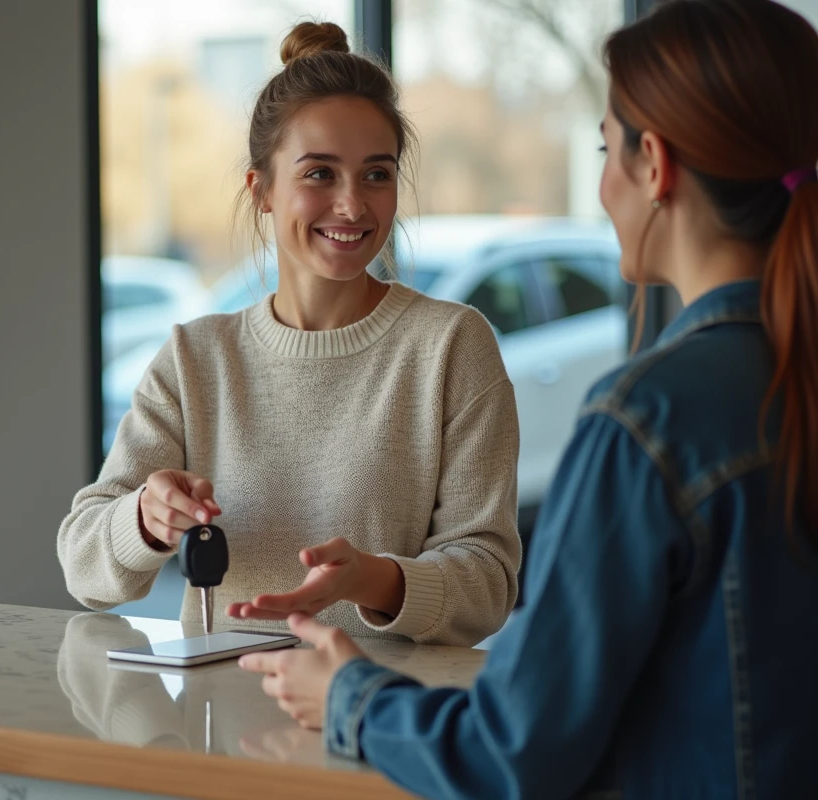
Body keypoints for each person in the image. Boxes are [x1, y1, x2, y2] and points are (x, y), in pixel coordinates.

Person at [240, 1, 818, 797]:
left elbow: (514, 752)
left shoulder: (650, 422)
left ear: (654, 164)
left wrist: (350, 697)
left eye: (603, 149)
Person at [58, 21, 521, 645]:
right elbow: (83, 568)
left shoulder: (452, 346)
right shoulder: (196, 359)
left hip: (377, 720)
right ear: (263, 190)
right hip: (220, 723)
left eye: (376, 175)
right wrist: (143, 518)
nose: (353, 205)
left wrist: (372, 580)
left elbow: (489, 584)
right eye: (319, 174)